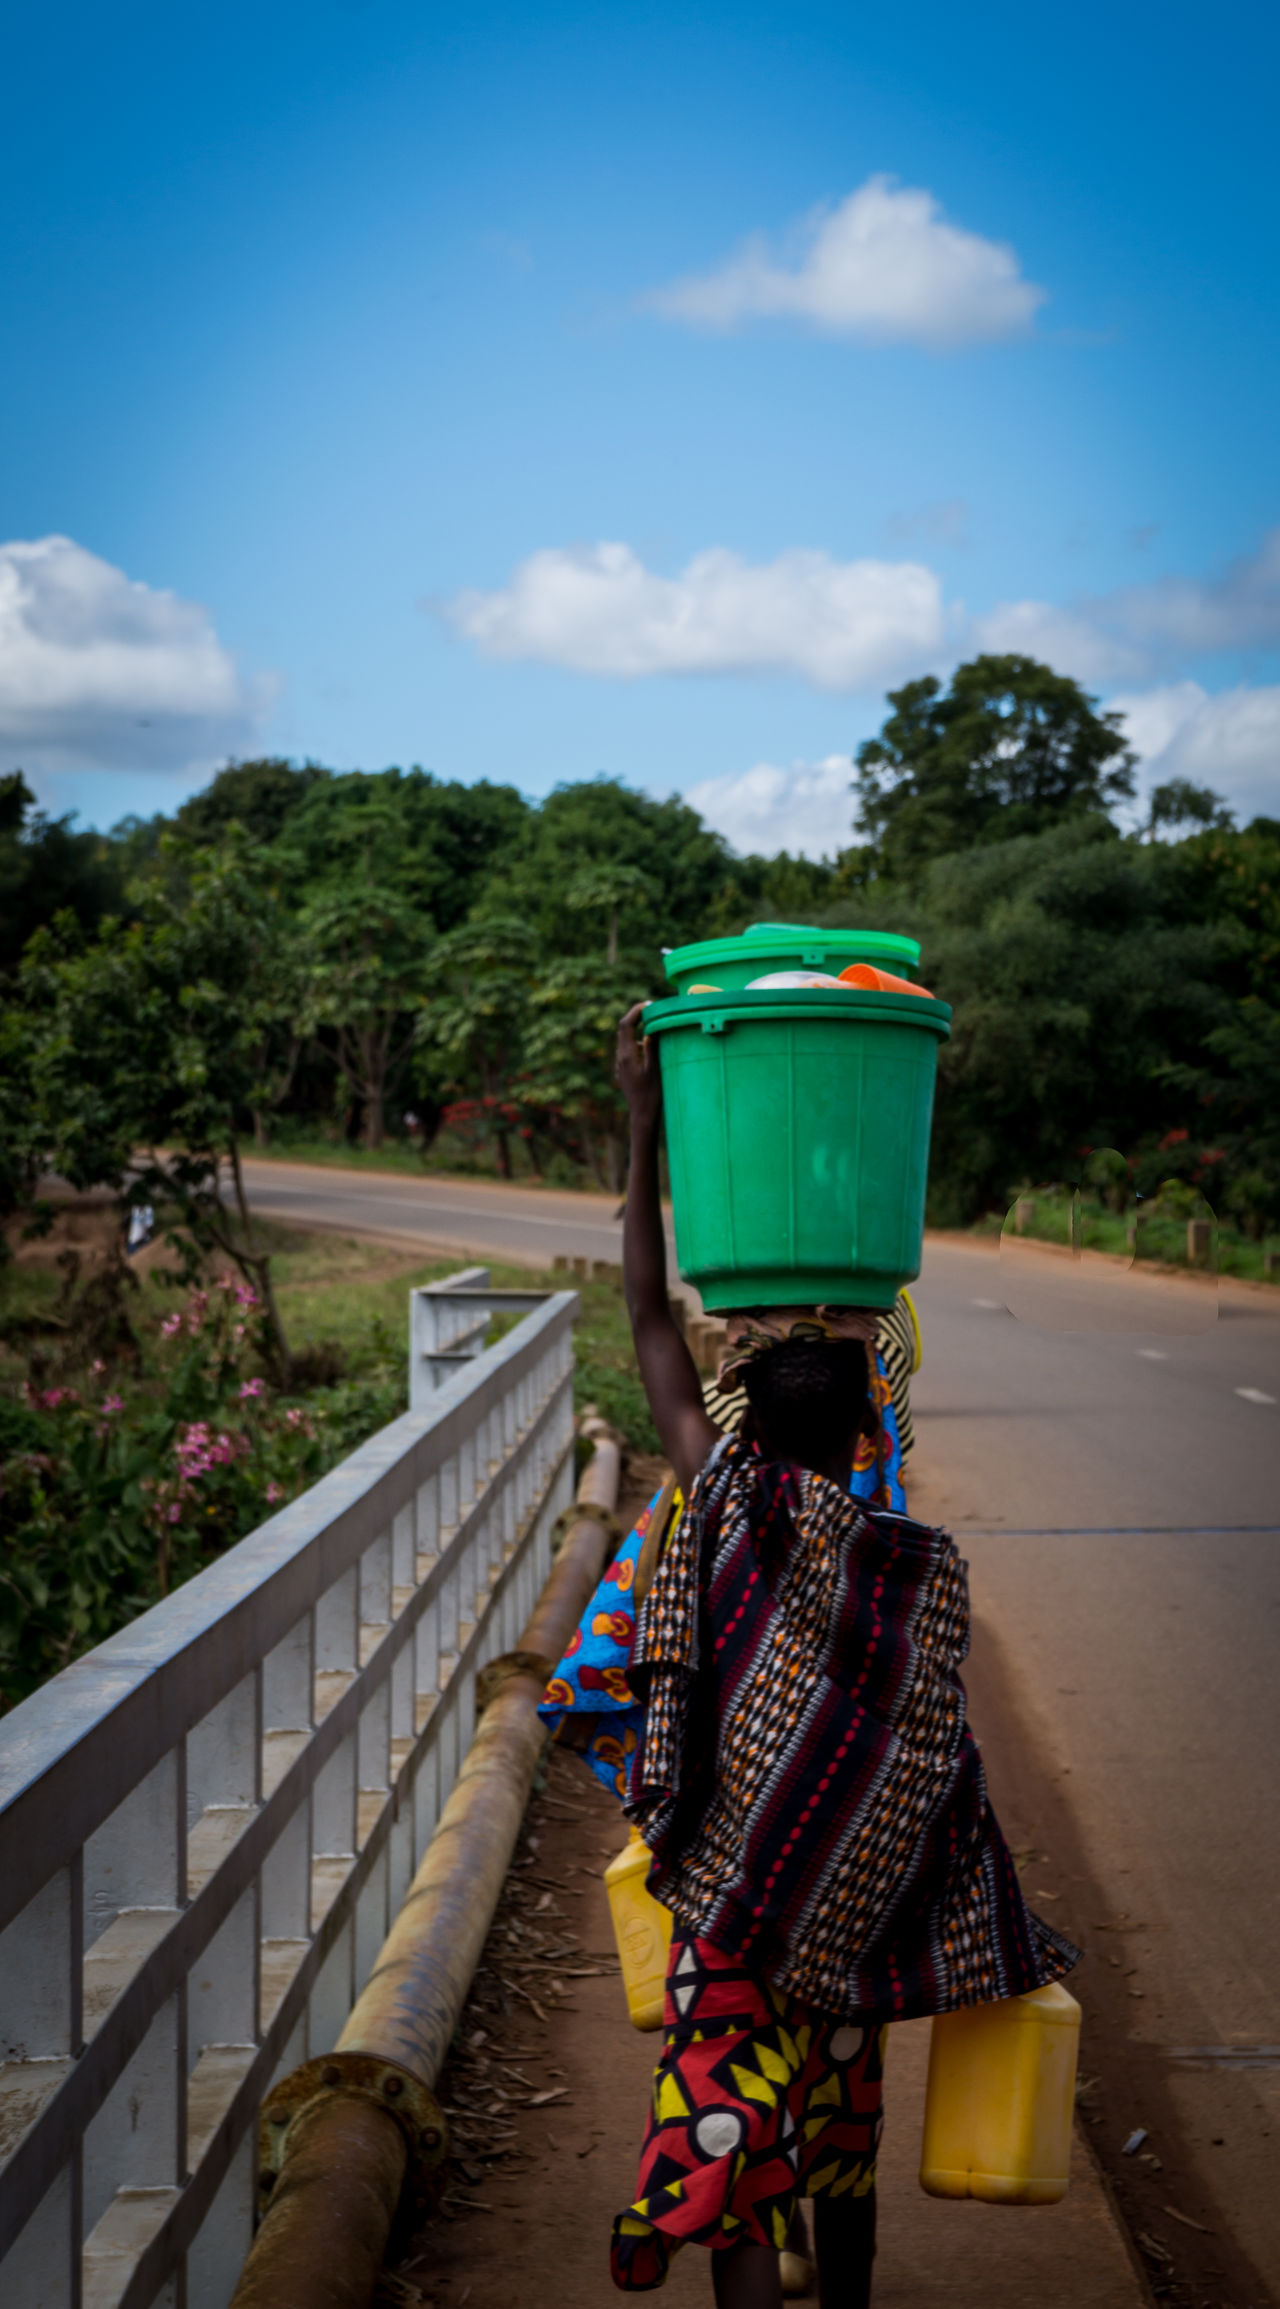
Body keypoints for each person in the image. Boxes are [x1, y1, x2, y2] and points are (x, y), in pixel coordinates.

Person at [605, 1004, 1078, 2308]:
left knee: (730, 2139)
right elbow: (937, 1754)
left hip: (730, 1907)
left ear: (739, 1408)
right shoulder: (903, 1562)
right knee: (836, 2125)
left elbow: (648, 1311)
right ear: (871, 1428)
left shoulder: (716, 1491)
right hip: (853, 1916)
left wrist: (643, 1123)